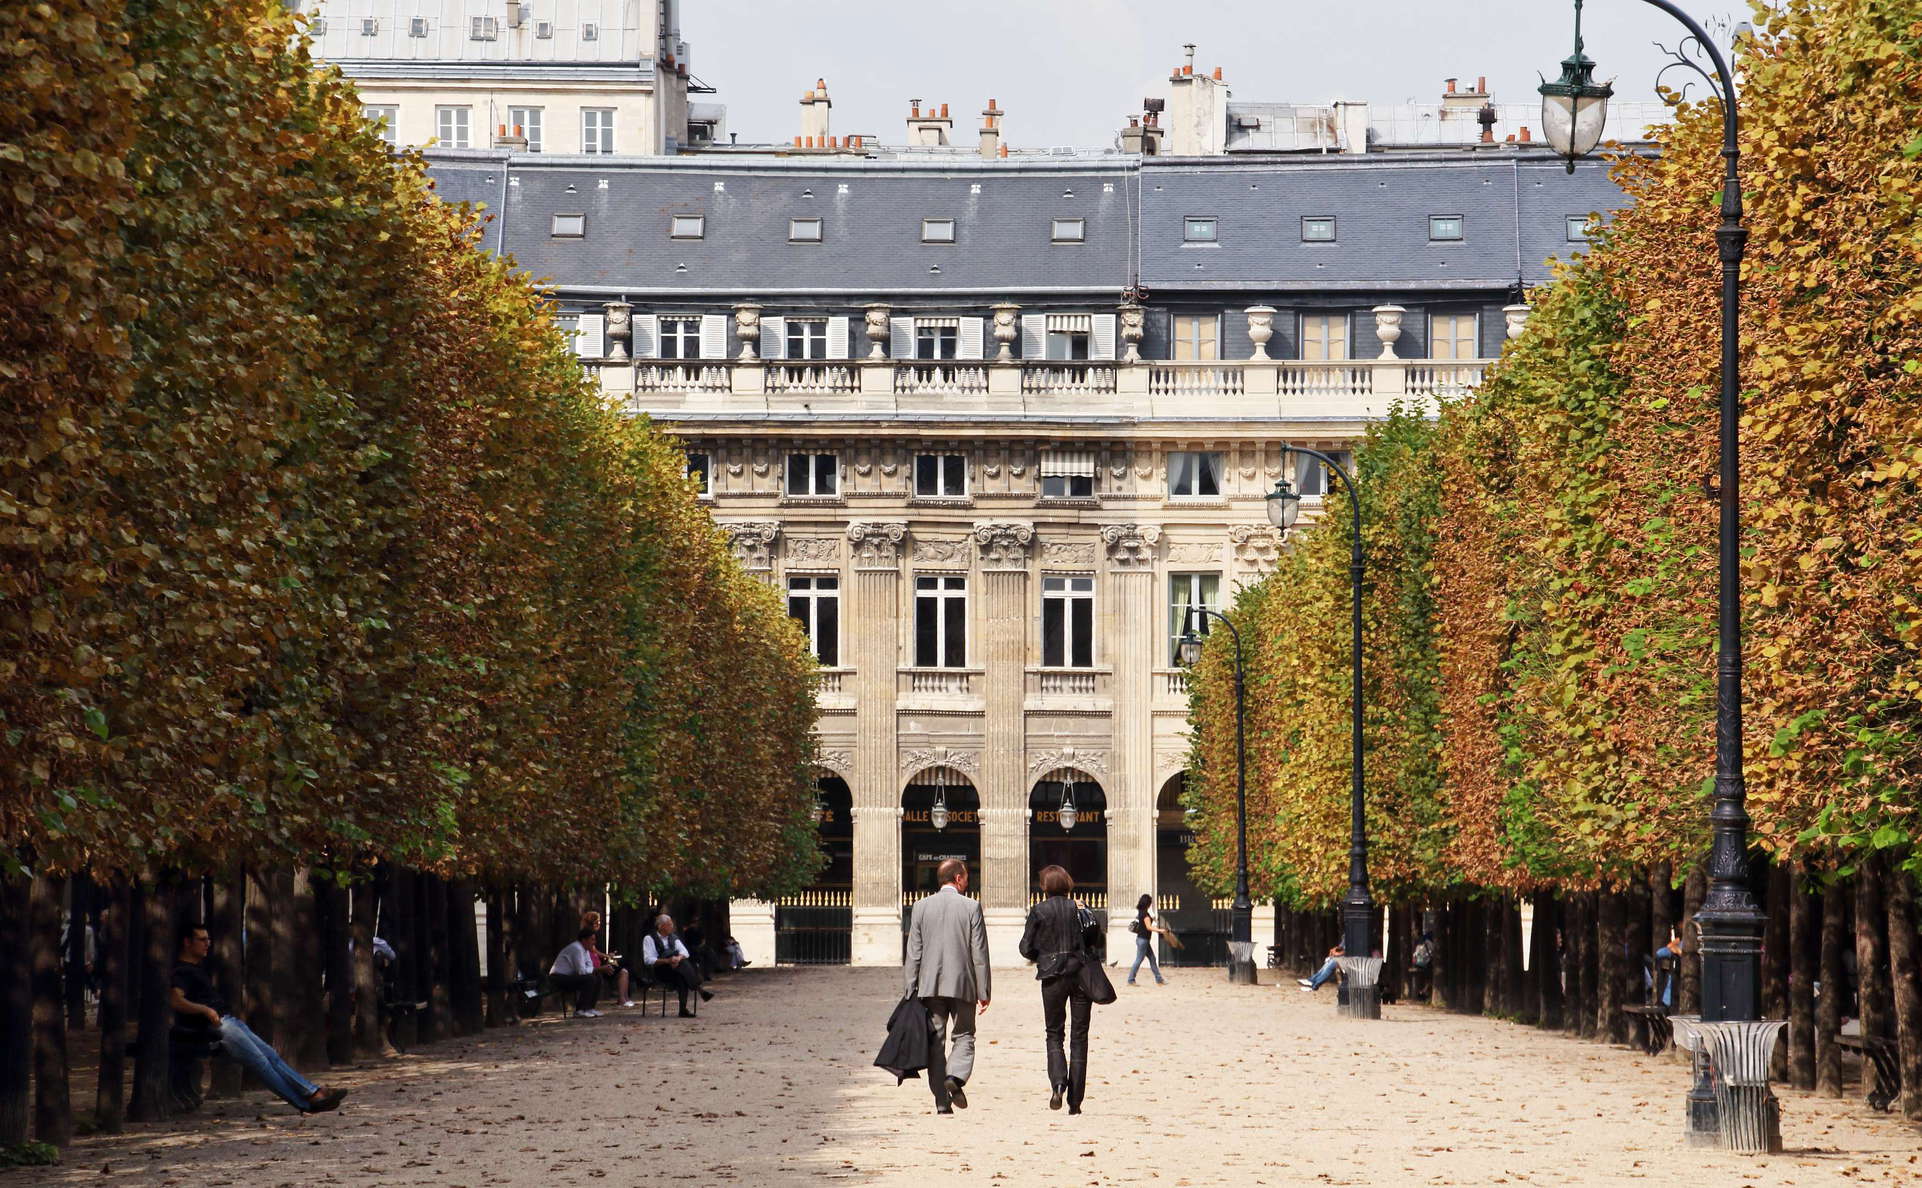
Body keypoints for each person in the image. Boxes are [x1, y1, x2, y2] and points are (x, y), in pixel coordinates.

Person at [170, 925, 347, 1113]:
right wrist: (205, 1010)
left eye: (208, 939)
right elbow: (175, 1000)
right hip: (220, 1026)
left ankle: (312, 1093)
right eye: (202, 939)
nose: (207, 944)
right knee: (260, 1063)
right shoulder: (182, 971)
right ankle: (306, 1103)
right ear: (187, 943)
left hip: (229, 1021)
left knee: (271, 1056)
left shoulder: (197, 968)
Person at [903, 858, 991, 1115]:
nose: (968, 881)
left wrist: (910, 988)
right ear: (958, 878)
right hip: (963, 983)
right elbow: (979, 952)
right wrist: (984, 990)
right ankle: (956, 1075)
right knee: (964, 1035)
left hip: (929, 985)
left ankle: (941, 1100)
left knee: (935, 1041)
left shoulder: (920, 907)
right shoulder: (971, 907)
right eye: (966, 876)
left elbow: (914, 953)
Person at [1018, 865, 1096, 1114]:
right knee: (1079, 1037)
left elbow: (1025, 947)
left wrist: (1041, 953)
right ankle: (1076, 1102)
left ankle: (1058, 1083)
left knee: (1054, 1032)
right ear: (1067, 883)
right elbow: (1095, 938)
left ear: (1044, 887)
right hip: (1081, 973)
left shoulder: (1039, 910)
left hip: (1052, 976)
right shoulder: (1079, 907)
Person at [644, 914, 714, 1018]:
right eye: (669, 924)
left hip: (676, 968)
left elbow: (685, 952)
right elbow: (648, 960)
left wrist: (677, 959)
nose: (672, 926)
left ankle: (683, 1010)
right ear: (661, 926)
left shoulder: (673, 937)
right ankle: (698, 988)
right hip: (660, 970)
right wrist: (668, 961)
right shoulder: (649, 939)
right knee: (683, 967)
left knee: (682, 973)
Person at [550, 927, 604, 1017]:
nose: (594, 942)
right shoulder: (577, 948)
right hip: (558, 978)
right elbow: (581, 971)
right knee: (589, 978)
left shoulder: (585, 949)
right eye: (592, 940)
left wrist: (596, 970)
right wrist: (599, 969)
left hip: (569, 976)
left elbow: (589, 965)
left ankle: (589, 1008)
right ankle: (580, 1010)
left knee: (597, 977)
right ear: (584, 940)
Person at [1127, 893, 1166, 987]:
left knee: (1152, 959)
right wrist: (1160, 930)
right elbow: (1148, 927)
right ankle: (1131, 979)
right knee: (1139, 960)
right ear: (1147, 903)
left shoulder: (1141, 912)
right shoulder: (1145, 914)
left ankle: (1159, 979)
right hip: (1143, 940)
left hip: (1143, 939)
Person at [1409, 932, 1435, 1000]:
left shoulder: (1420, 943)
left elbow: (1415, 955)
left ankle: (1424, 991)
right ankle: (1424, 991)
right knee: (1430, 977)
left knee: (1427, 977)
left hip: (1419, 963)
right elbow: (1431, 953)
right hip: (1425, 963)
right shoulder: (1429, 943)